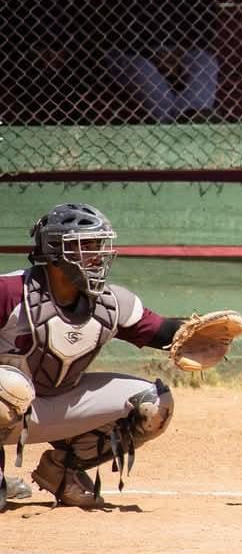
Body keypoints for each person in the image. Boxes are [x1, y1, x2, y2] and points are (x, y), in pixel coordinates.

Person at [0, 203, 182, 509]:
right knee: (10, 387)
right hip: (8, 405)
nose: (97, 255)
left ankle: (61, 471)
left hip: (54, 404)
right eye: (85, 246)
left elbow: (164, 333)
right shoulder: (10, 292)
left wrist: (200, 336)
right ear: (56, 252)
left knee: (154, 403)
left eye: (99, 245)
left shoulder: (110, 302)